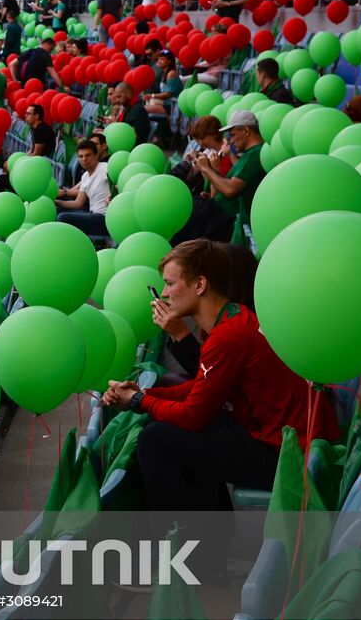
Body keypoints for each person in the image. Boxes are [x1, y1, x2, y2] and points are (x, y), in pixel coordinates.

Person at [103, 240, 334, 516]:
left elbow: (192, 416)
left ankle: (184, 539)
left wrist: (138, 400)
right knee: (167, 424)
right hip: (286, 440)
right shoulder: (236, 316)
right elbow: (203, 388)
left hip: (290, 456)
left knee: (156, 440)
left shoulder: (228, 336)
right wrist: (144, 394)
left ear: (200, 285)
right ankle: (212, 535)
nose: (163, 294)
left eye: (170, 283)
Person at [175, 109, 265, 243]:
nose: (231, 141)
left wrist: (206, 168)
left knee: (181, 227)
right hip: (218, 214)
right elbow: (226, 184)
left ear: (246, 131)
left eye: (233, 135)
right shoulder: (249, 154)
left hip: (224, 219)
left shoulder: (255, 155)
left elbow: (230, 189)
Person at [54, 139, 110, 236]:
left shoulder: (105, 168)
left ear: (96, 155)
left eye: (88, 155)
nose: (84, 159)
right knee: (55, 210)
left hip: (104, 219)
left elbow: (120, 181)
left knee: (62, 218)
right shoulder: (85, 176)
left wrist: (112, 194)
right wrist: (55, 202)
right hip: (92, 214)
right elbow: (78, 203)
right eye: (81, 156)